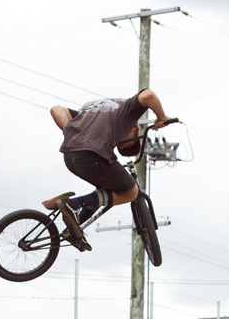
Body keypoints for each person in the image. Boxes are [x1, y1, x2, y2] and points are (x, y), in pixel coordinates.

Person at [44, 90, 173, 248]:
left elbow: (57, 110)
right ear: (133, 129)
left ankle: (74, 229)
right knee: (131, 192)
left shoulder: (91, 112)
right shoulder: (127, 110)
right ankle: (72, 204)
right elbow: (148, 95)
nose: (120, 145)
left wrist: (75, 136)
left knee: (105, 192)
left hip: (70, 157)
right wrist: (161, 118)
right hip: (91, 156)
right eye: (127, 144)